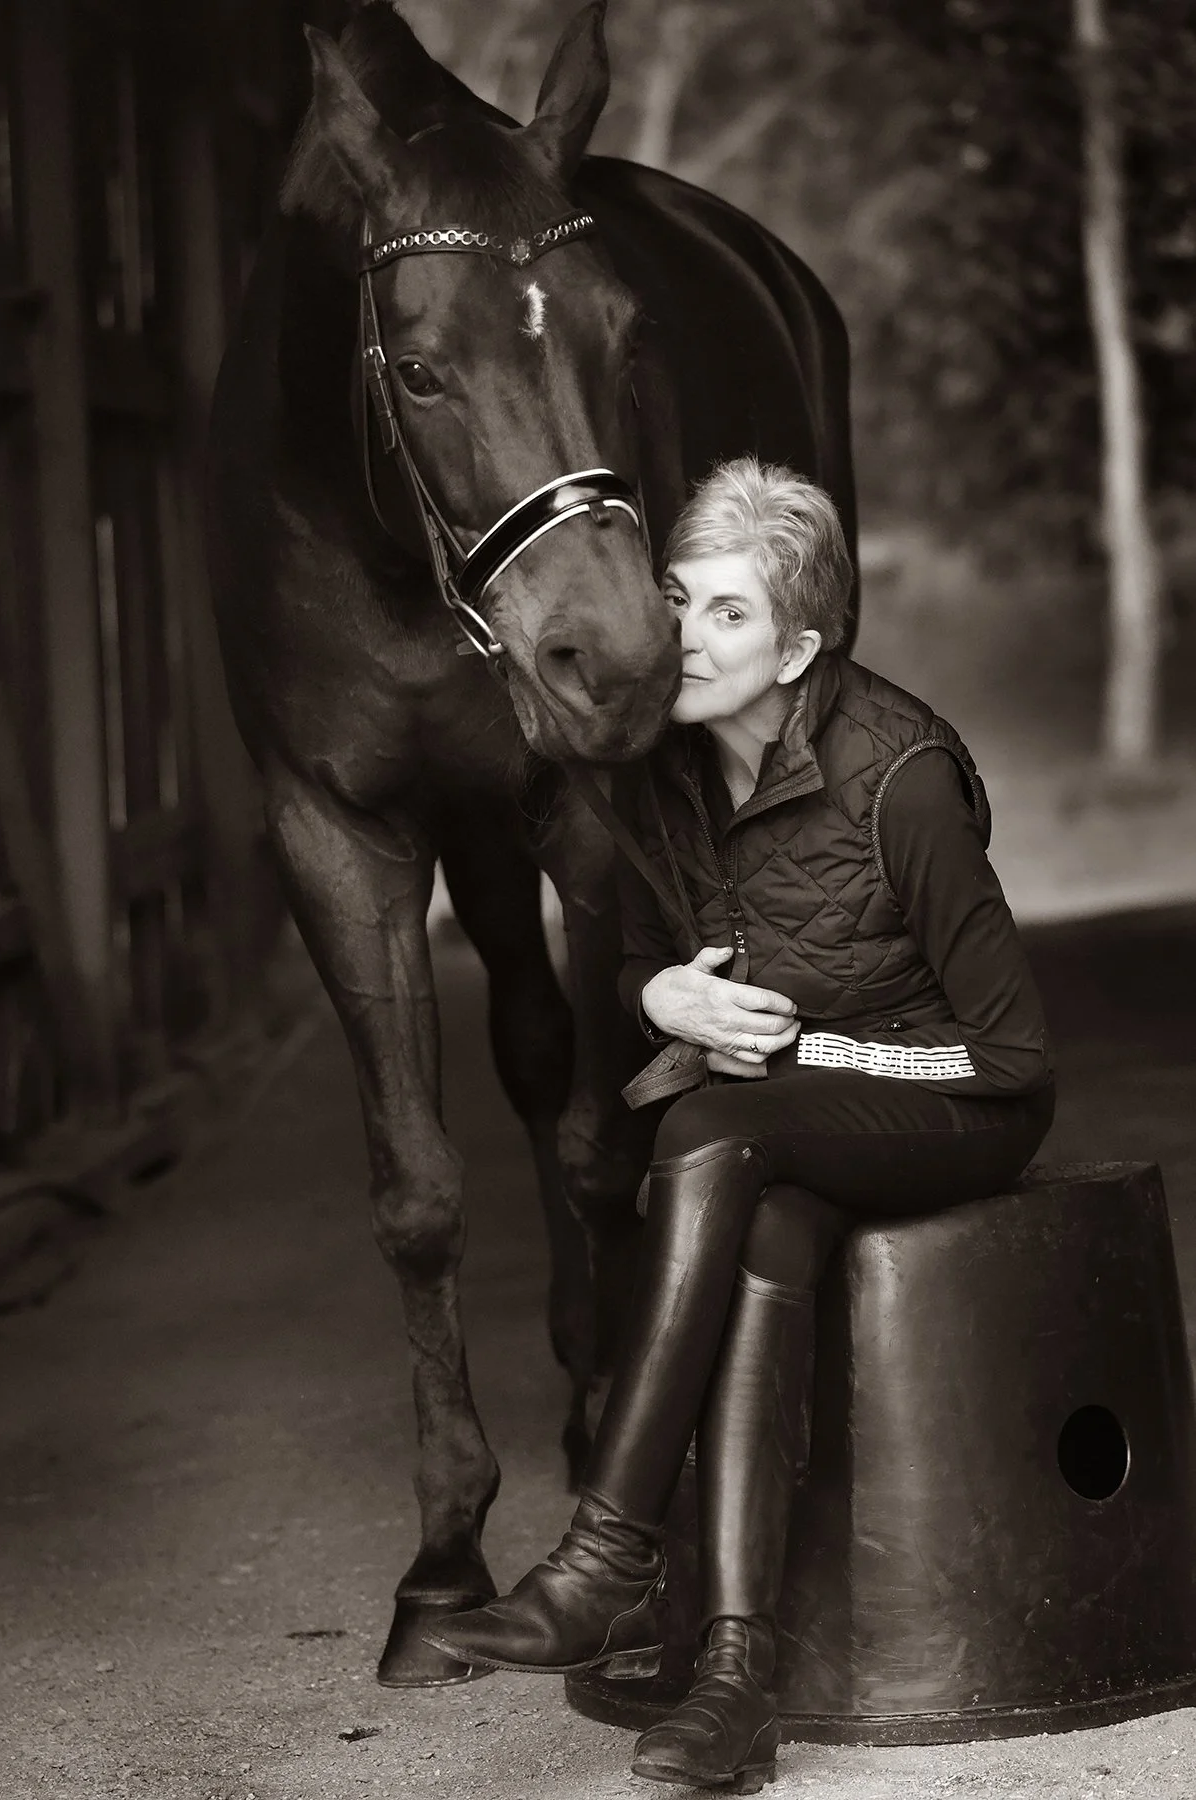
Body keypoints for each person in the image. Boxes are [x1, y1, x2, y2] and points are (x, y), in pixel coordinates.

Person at [424, 459, 1054, 1792]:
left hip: (956, 1102)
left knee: (711, 1133)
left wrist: (793, 1053)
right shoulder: (659, 768)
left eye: (729, 615)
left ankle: (607, 1556)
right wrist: (659, 996)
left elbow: (1012, 1057)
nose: (687, 638)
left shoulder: (902, 780)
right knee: (764, 1227)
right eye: (677, 601)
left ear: (801, 648)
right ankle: (734, 1679)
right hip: (787, 1126)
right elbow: (646, 966)